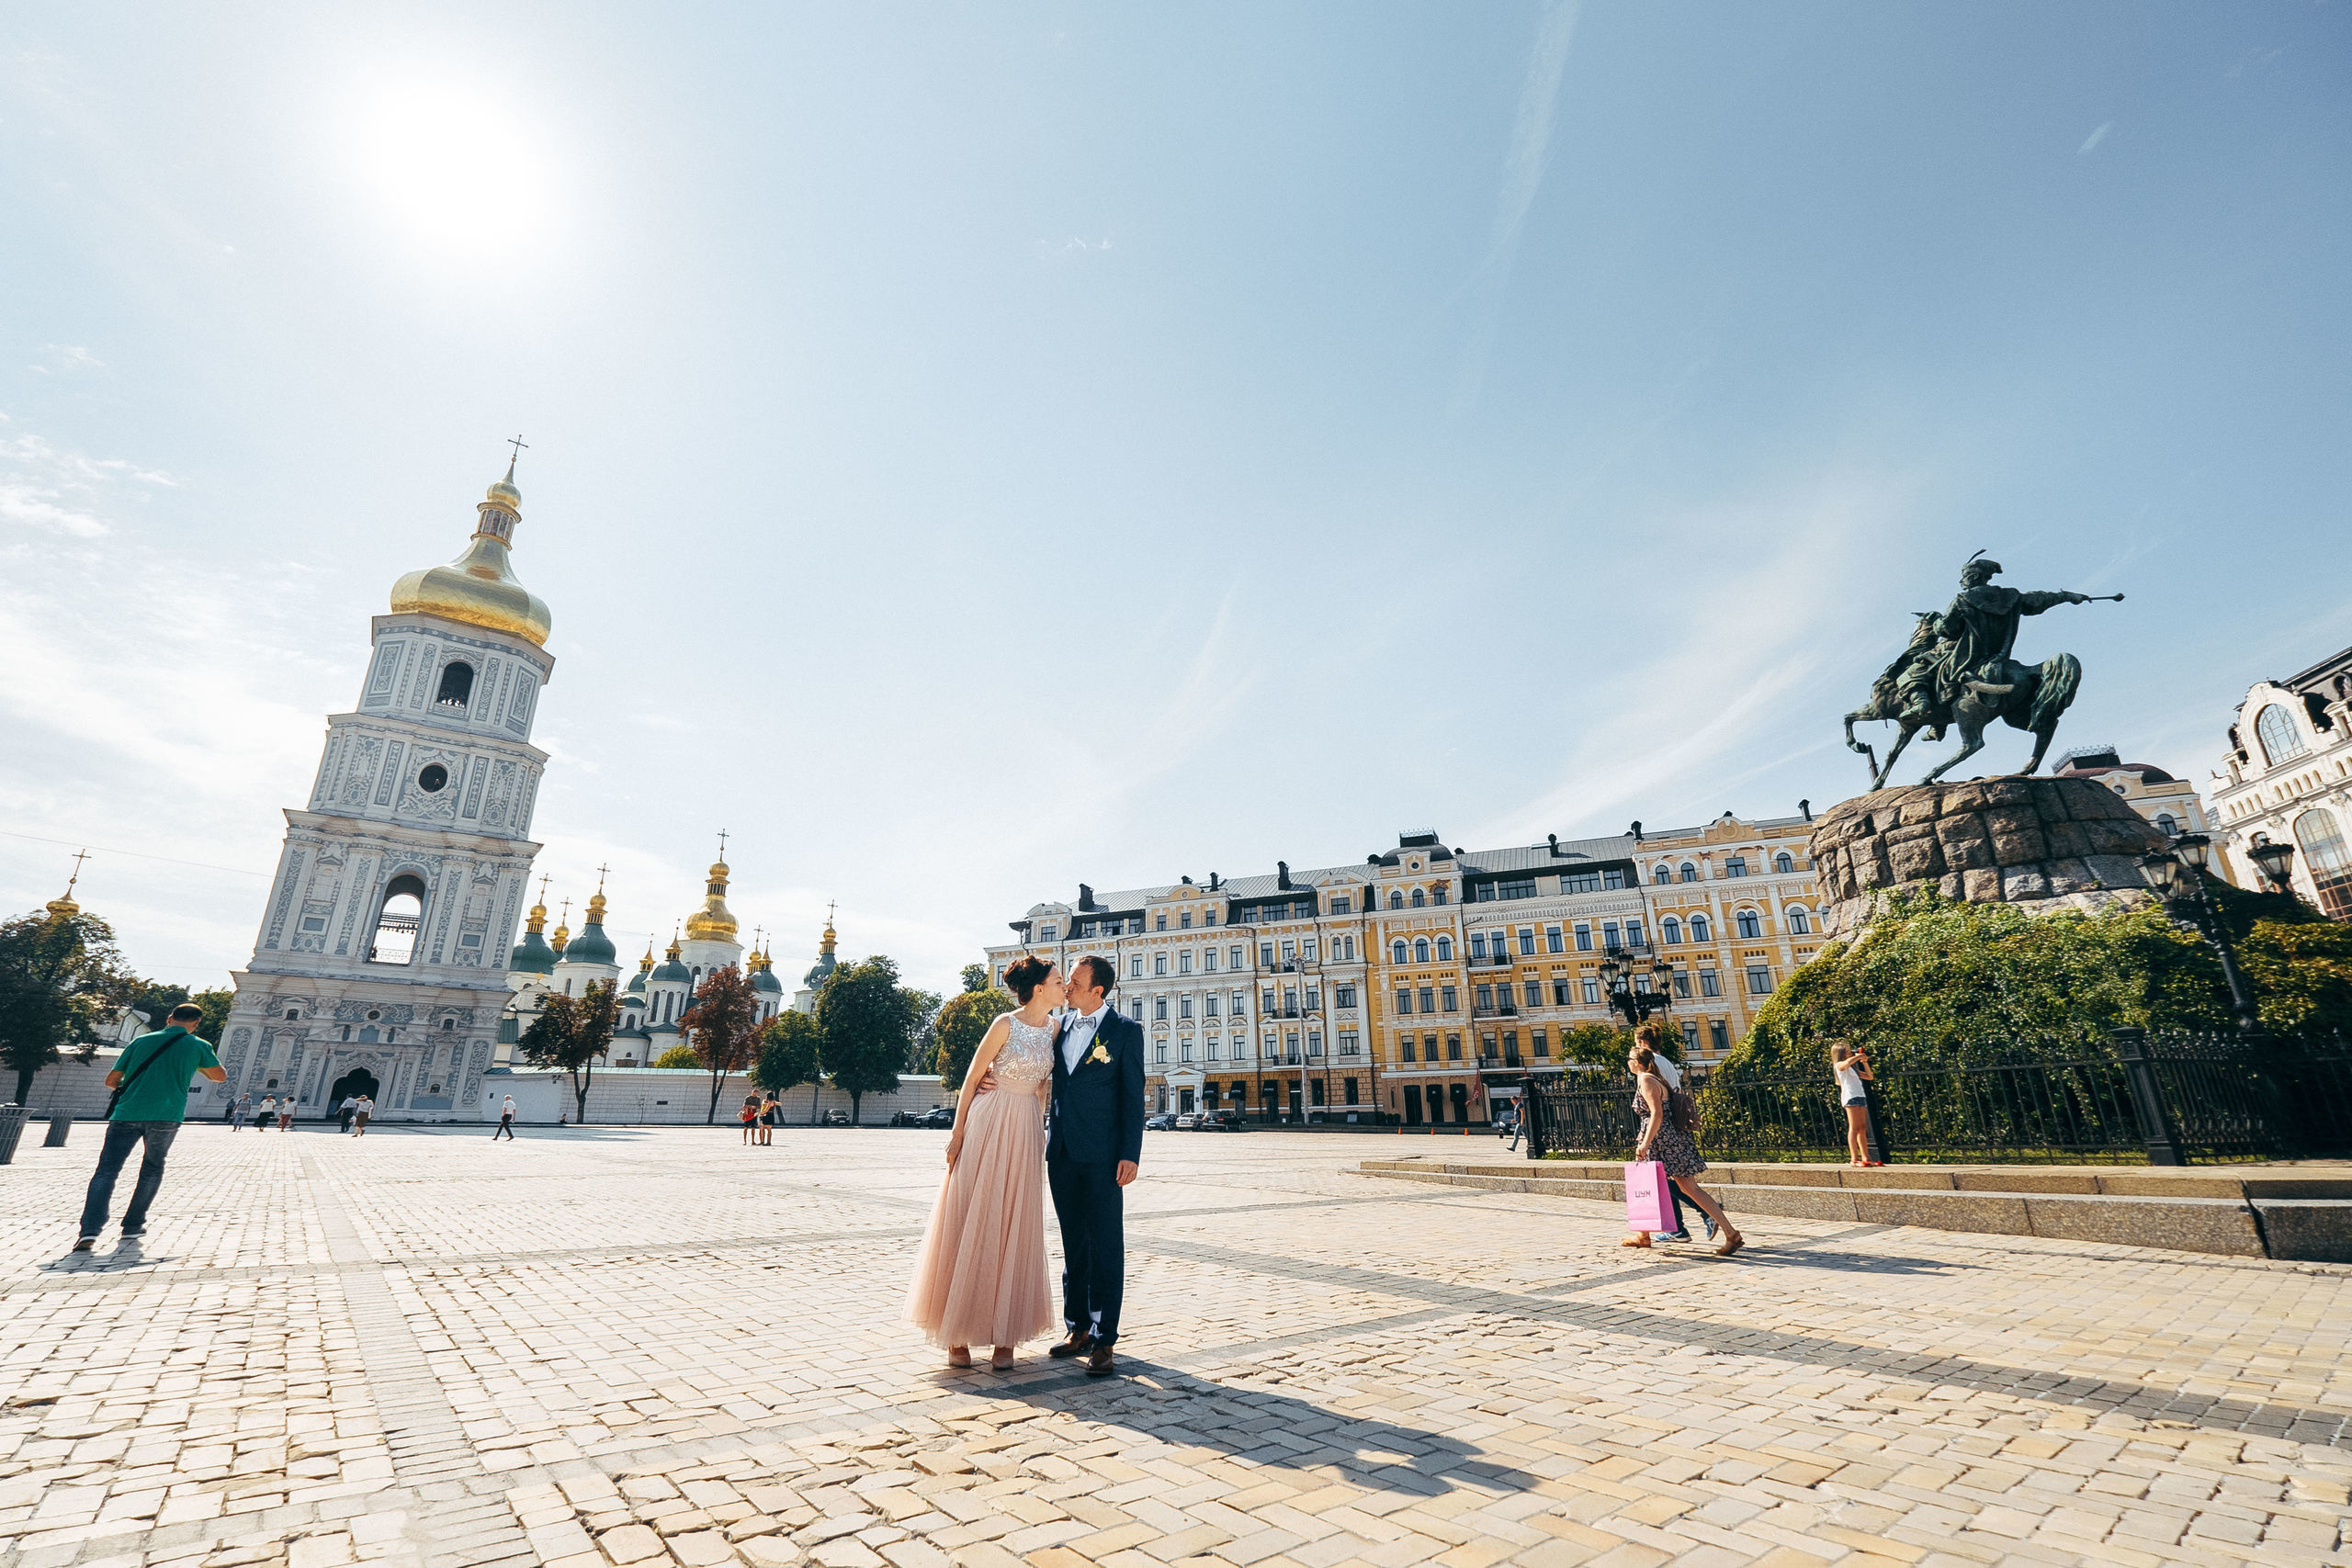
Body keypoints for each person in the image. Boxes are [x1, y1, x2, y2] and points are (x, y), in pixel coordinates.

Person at [904, 955, 1061, 1370]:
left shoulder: (1055, 1028)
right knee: (972, 1214)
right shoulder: (1004, 1024)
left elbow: (1044, 1086)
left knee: (1014, 1222)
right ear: (1039, 988)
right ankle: (956, 1331)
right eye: (1058, 980)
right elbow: (973, 1078)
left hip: (1026, 1124)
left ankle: (1004, 1334)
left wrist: (1040, 1130)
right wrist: (957, 1134)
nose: (1064, 985)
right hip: (988, 1120)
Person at [1045, 954, 1147, 1375]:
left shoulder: (1126, 1032)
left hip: (1105, 1156)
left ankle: (1105, 1339)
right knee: (1074, 1243)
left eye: (1074, 982)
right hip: (1062, 1153)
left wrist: (1130, 1153)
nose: (1066, 987)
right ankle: (1079, 1328)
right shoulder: (1059, 1027)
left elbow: (1133, 1097)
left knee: (1106, 1243)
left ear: (1097, 990)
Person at [74, 1004, 228, 1251]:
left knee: (106, 1172)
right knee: (152, 1168)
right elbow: (219, 1076)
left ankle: (89, 1230)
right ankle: (133, 1226)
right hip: (167, 1116)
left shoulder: (141, 1041)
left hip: (126, 1113)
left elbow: (111, 1080)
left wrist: (134, 1089)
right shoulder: (199, 1045)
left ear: (169, 1018)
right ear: (196, 1023)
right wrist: (193, 1065)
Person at [1622, 1041, 1742, 1257]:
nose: (1628, 1063)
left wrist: (1645, 1142)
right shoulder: (1655, 1078)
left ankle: (1730, 1232)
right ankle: (1644, 1234)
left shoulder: (1646, 1080)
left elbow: (1656, 1114)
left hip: (1662, 1140)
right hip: (1671, 1138)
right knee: (1666, 1187)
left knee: (1687, 1188)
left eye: (1630, 1059)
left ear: (1637, 1063)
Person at [1637, 1025, 1711, 1243]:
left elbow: (1654, 1107)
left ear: (1641, 1043)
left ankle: (1707, 1211)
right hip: (1672, 1126)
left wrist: (1646, 1137)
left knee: (1673, 1181)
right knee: (1666, 1179)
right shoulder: (1666, 1062)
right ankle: (1677, 1228)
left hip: (1661, 1131)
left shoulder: (1649, 1066)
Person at [1833, 1042, 1880, 1167]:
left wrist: (1864, 1062)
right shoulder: (1839, 1065)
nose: (1849, 1053)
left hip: (1860, 1096)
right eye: (1847, 1051)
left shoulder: (1853, 1070)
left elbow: (1869, 1076)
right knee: (1854, 1128)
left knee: (1862, 1127)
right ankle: (1854, 1159)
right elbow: (1845, 1064)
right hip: (1850, 1097)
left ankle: (1866, 1158)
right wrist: (1858, 1056)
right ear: (1841, 1053)